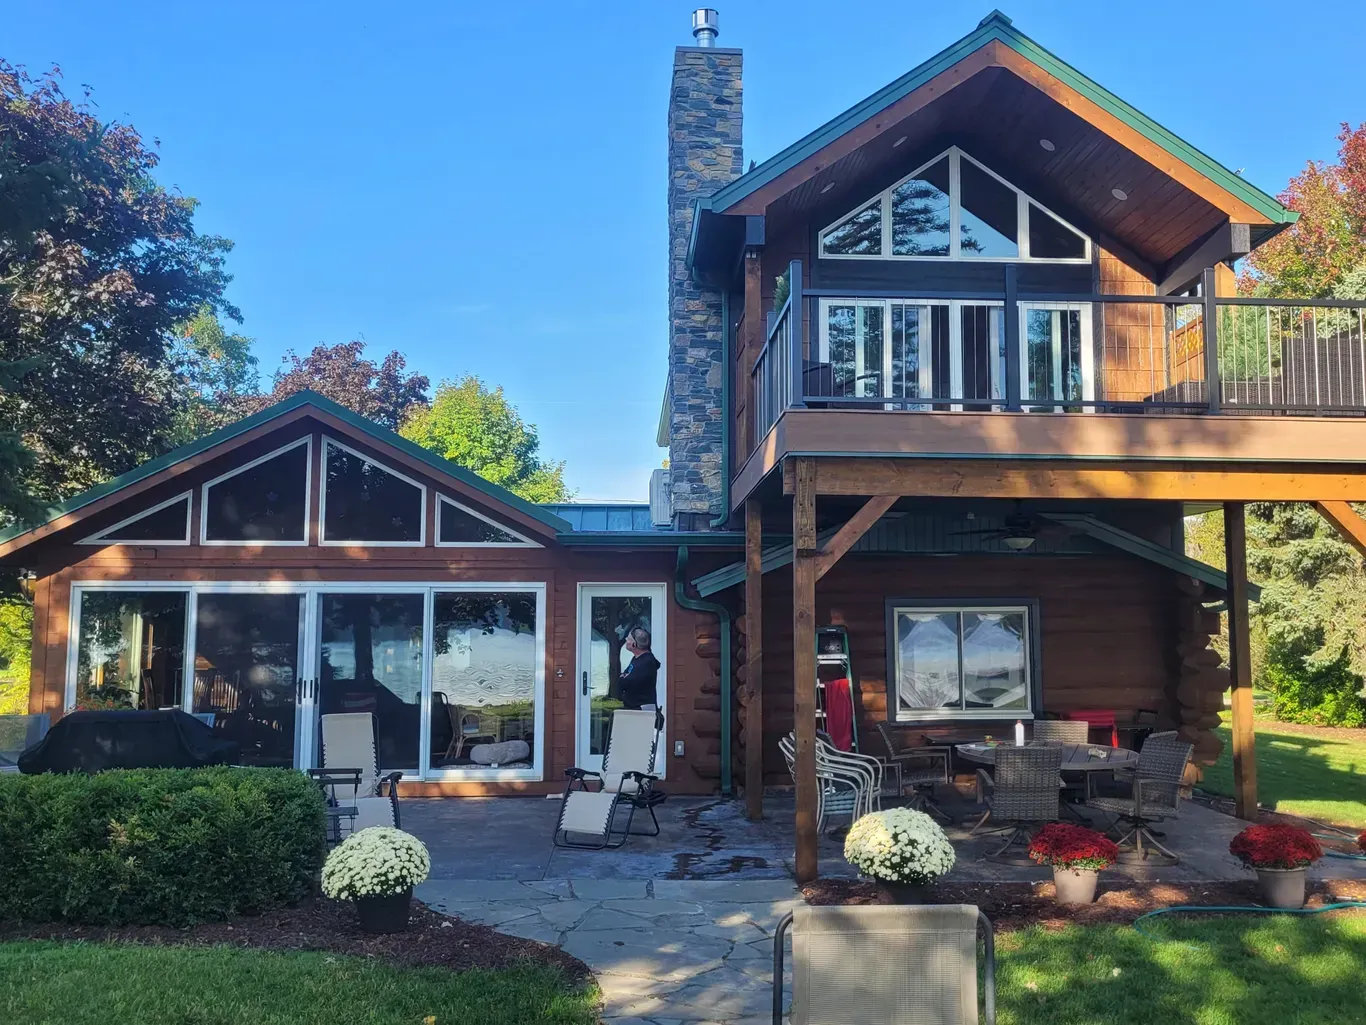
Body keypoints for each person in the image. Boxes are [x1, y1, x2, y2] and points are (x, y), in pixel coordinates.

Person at [617, 626, 661, 711]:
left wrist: (623, 679)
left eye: (629, 639)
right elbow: (624, 678)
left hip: (642, 710)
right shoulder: (637, 659)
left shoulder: (647, 662)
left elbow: (628, 682)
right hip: (634, 708)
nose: (626, 640)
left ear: (634, 644)